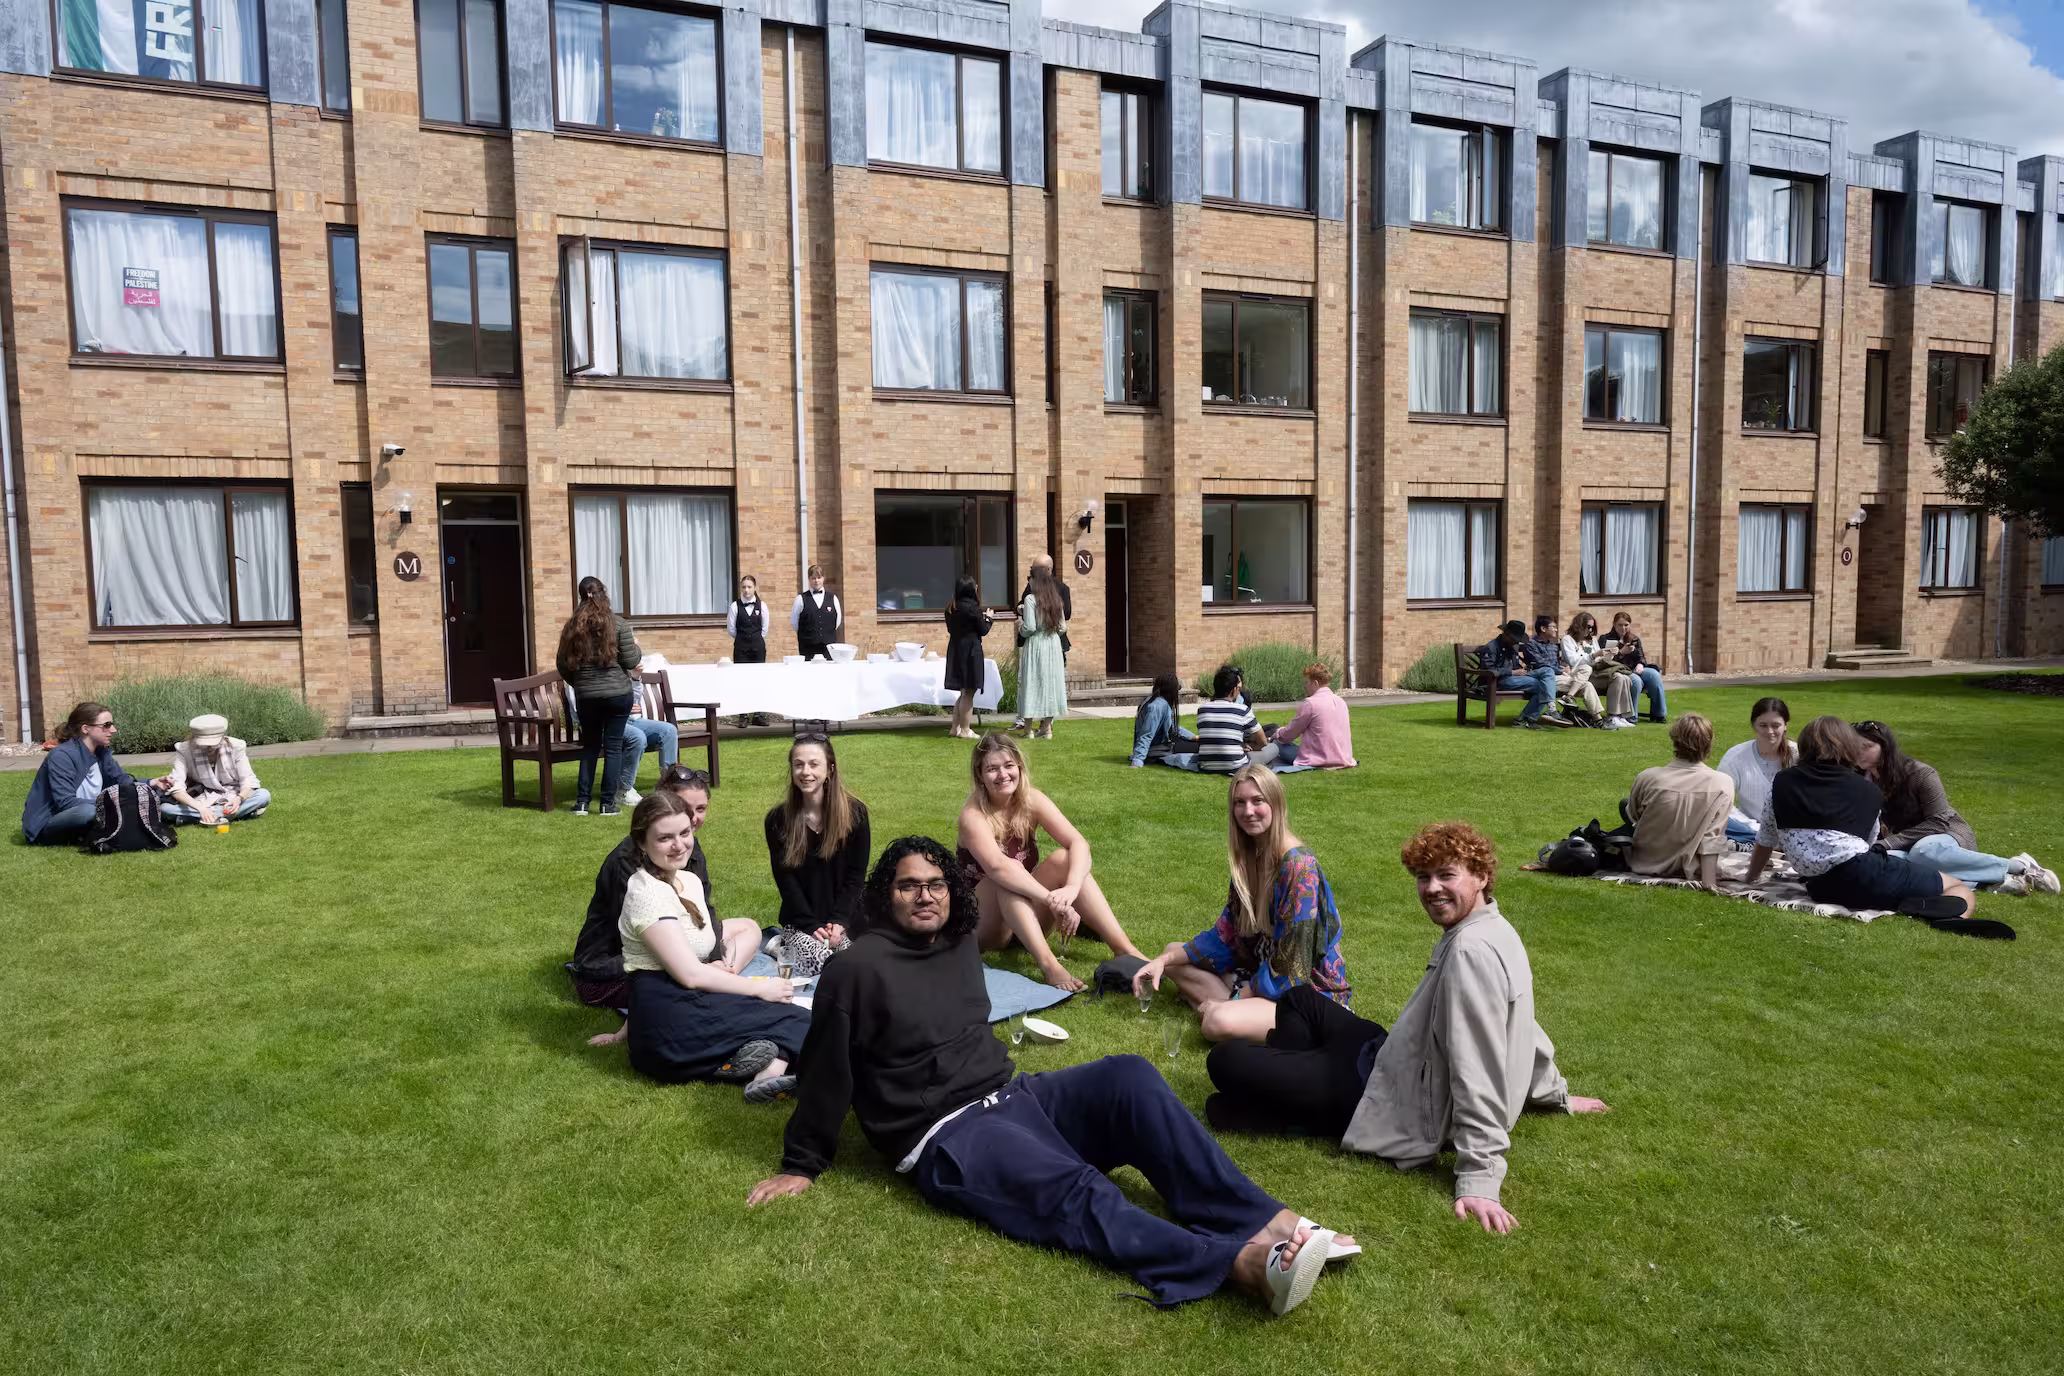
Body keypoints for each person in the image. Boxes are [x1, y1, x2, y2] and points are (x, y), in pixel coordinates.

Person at [746, 836, 1356, 1316]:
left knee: (1129, 1077)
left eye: (936, 885)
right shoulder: (856, 969)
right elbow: (829, 1068)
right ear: (886, 894)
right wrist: (801, 1162)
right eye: (910, 887)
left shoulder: (958, 943)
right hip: (945, 1136)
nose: (927, 896)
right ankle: (1241, 1265)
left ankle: (1267, 1219)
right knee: (1077, 1189)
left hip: (1011, 1096)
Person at [1203, 822, 1610, 1234]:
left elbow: (1477, 1063)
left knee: (1225, 1062)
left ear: (1482, 877)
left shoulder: (1471, 951)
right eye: (1423, 877)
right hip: (1386, 1056)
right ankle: (1301, 1085)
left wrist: (1480, 1177)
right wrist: (1554, 1093)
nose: (1432, 888)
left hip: (1381, 1096)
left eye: (1446, 875)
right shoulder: (1494, 927)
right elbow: (1524, 1024)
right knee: (1301, 999)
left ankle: (1309, 1107)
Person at [1133, 765, 1351, 1043]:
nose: (1248, 811)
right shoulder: (1250, 859)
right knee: (1172, 955)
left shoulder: (1299, 867)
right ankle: (1231, 1008)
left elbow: (1291, 968)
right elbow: (1225, 936)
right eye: (1239, 802)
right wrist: (1162, 961)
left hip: (1307, 998)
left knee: (1216, 1022)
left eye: (1257, 801)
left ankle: (1224, 1009)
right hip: (1261, 973)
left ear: (1276, 803)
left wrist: (1236, 998)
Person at [620, 791, 808, 1102]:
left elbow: (702, 961)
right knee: (794, 1018)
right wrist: (759, 989)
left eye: (684, 832)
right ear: (642, 843)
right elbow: (690, 975)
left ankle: (768, 1068)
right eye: (665, 838)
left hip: (690, 1001)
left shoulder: (689, 880)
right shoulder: (646, 894)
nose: (679, 844)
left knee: (789, 1013)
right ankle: (772, 1066)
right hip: (667, 1023)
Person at [960, 733, 1147, 991]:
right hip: (984, 924)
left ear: (1020, 767)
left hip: (1024, 918)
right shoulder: (972, 815)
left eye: (1008, 765)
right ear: (980, 775)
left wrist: (1070, 889)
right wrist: (1053, 901)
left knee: (1064, 859)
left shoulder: (1031, 800)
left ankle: (1125, 949)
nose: (1002, 774)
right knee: (1003, 878)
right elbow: (997, 867)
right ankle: (1050, 966)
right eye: (992, 769)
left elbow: (1078, 843)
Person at [1744, 717, 1977, 919]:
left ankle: (1911, 905)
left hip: (1820, 887)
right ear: (1848, 746)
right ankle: (1955, 918)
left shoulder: (1782, 782)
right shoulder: (1867, 790)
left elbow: (1766, 837)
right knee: (1958, 887)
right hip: (1862, 875)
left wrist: (1751, 877)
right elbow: (1867, 846)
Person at [569, 764, 717, 1046]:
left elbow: (705, 911)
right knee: (706, 990)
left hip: (669, 946)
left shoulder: (687, 848)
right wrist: (707, 969)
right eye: (685, 808)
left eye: (701, 809)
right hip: (616, 964)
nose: (694, 819)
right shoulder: (633, 870)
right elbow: (646, 945)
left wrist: (719, 957)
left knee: (746, 929)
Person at [1852, 720, 2058, 895]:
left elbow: (1938, 822)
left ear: (1885, 747)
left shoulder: (1921, 774)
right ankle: (1995, 880)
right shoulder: (1859, 778)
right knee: (1879, 864)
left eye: (1866, 746)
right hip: (1906, 845)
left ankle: (2018, 867)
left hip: (1947, 835)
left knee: (1923, 853)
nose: (1857, 753)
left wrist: (1888, 843)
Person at [764, 733, 872, 972]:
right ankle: (781, 943)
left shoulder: (855, 813)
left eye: (814, 764)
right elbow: (786, 881)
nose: (805, 772)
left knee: (859, 963)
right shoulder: (777, 820)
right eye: (798, 765)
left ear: (830, 769)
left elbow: (856, 875)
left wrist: (840, 920)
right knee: (826, 964)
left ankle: (782, 945)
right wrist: (811, 925)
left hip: (847, 915)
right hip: (802, 919)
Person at [556, 575, 642, 817]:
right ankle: (607, 804)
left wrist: (581, 682)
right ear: (603, 594)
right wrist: (636, 646)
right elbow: (631, 661)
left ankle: (582, 803)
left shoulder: (571, 628)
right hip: (617, 694)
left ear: (581, 596)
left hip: (587, 697)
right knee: (613, 748)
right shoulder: (619, 625)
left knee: (590, 746)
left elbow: (562, 664)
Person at [1624, 714, 1733, 889]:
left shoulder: (1648, 777)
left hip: (1644, 862)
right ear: (1709, 742)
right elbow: (1713, 837)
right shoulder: (1722, 782)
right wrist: (1709, 882)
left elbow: (1633, 816)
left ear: (1675, 741)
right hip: (1689, 867)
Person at [21, 702, 133, 845]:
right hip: (48, 823)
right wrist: (111, 803)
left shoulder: (101, 754)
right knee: (87, 811)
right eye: (106, 725)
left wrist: (153, 784)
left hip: (89, 810)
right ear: (86, 729)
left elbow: (124, 782)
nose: (113, 729)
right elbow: (66, 802)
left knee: (149, 797)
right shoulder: (61, 756)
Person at [152, 714, 271, 825]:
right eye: (204, 744)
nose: (208, 747)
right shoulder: (184, 750)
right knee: (165, 809)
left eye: (212, 743)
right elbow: (177, 787)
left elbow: (248, 780)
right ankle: (229, 815)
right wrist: (201, 809)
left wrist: (239, 799)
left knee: (263, 795)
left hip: (233, 793)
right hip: (202, 798)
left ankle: (200, 817)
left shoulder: (237, 746)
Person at [1169, 664, 1282, 773]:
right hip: (1235, 765)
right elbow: (1262, 742)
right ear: (1233, 690)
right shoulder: (1242, 709)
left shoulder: (1202, 709)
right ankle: (1262, 764)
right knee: (1273, 748)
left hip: (1206, 764)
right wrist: (1250, 747)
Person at [1008, 555, 1074, 732]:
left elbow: (1030, 624)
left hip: (1038, 641)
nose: (1031, 575)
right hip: (1052, 641)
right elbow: (1062, 626)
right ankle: (1046, 727)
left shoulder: (1057, 590)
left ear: (1047, 570)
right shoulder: (1050, 595)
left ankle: (1033, 727)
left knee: (1032, 682)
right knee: (1050, 681)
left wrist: (1024, 625)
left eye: (1034, 570)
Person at [1717, 698, 1795, 844]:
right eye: (1763, 725)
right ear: (1754, 726)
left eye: (1776, 725)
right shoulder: (1735, 757)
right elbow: (1721, 802)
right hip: (1750, 831)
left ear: (1786, 726)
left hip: (1791, 831)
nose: (1769, 731)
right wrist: (1756, 829)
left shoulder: (1799, 756)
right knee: (1715, 816)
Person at [1477, 620, 1568, 730]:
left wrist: (1524, 668)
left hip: (1516, 677)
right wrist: (1512, 672)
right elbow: (1488, 669)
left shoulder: (1511, 645)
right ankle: (1525, 720)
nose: (1516, 642)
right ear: (1506, 634)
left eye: (1518, 640)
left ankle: (1551, 709)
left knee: (1547, 671)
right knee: (1543, 685)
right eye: (1514, 639)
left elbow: (1528, 662)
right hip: (1498, 680)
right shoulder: (1491, 647)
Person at [1272, 663, 1356, 769]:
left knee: (1276, 745)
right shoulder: (1341, 701)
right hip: (1343, 757)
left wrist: (1278, 733)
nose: (1304, 686)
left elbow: (1290, 733)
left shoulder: (1311, 703)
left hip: (1317, 759)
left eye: (1307, 682)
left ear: (1315, 683)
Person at [942, 575, 993, 740]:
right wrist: (989, 618)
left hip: (956, 650)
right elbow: (983, 630)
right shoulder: (972, 608)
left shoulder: (951, 608)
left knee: (963, 692)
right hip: (971, 651)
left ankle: (954, 728)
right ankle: (965, 729)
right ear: (971, 590)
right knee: (969, 692)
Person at [1561, 612, 1634, 725]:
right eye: (1588, 627)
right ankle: (1613, 717)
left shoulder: (1592, 640)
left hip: (1596, 671)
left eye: (1592, 627)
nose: (1590, 630)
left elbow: (1598, 659)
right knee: (1615, 677)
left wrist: (1609, 654)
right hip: (1579, 676)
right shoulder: (1567, 639)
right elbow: (1573, 661)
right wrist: (1594, 655)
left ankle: (1617, 716)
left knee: (1622, 678)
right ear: (1579, 625)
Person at [613, 690, 678, 806]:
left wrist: (636, 677)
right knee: (637, 737)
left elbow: (634, 697)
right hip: (608, 721)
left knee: (669, 730)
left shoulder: (620, 674)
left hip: (633, 720)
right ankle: (623, 790)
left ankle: (668, 784)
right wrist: (620, 708)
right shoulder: (582, 676)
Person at [1533, 615, 1604, 722]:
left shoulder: (1553, 646)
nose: (1556, 629)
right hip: (1547, 678)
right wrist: (1560, 670)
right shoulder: (1532, 644)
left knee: (1586, 670)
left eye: (1591, 628)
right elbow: (1541, 664)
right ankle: (1597, 720)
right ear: (1543, 629)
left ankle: (1597, 719)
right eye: (1553, 627)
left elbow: (1557, 662)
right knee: (1586, 684)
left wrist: (1563, 667)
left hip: (1562, 676)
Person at [1599, 612, 1666, 724]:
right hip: (1618, 670)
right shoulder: (1605, 639)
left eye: (1626, 625)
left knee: (1653, 674)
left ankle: (1659, 714)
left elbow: (1641, 657)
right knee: (1636, 681)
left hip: (1634, 668)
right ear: (1614, 625)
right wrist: (1621, 652)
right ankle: (1630, 716)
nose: (1623, 628)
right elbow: (1605, 662)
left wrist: (1640, 664)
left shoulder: (1633, 639)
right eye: (1620, 625)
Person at [1128, 673, 1197, 768]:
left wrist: (1193, 736)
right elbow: (1147, 734)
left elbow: (1171, 727)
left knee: (1200, 744)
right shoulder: (1158, 706)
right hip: (1157, 750)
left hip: (1161, 748)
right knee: (1201, 747)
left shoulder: (1155, 701)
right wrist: (1138, 760)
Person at [791, 565, 842, 661]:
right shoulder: (801, 599)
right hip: (808, 646)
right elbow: (794, 622)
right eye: (813, 578)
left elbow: (837, 621)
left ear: (823, 578)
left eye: (819, 577)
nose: (816, 581)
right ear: (809, 579)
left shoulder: (833, 598)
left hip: (829, 647)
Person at [727, 574, 769, 664]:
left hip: (758, 649)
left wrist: (755, 639)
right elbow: (731, 629)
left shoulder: (762, 606)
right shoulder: (734, 606)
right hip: (741, 650)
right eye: (744, 587)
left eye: (749, 587)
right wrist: (742, 639)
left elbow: (765, 629)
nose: (746, 590)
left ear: (754, 588)